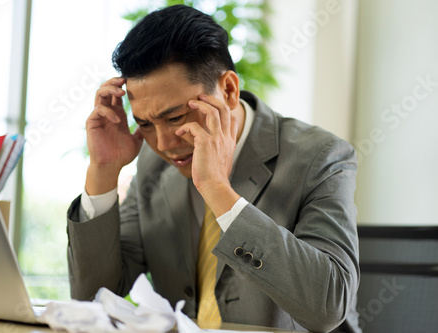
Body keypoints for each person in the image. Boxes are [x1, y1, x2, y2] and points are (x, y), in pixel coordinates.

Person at [67, 5, 361, 333]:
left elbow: (329, 307)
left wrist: (218, 191)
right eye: (145, 124)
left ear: (229, 91)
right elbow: (93, 298)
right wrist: (103, 169)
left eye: (175, 117)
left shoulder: (321, 156)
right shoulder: (153, 165)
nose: (163, 143)